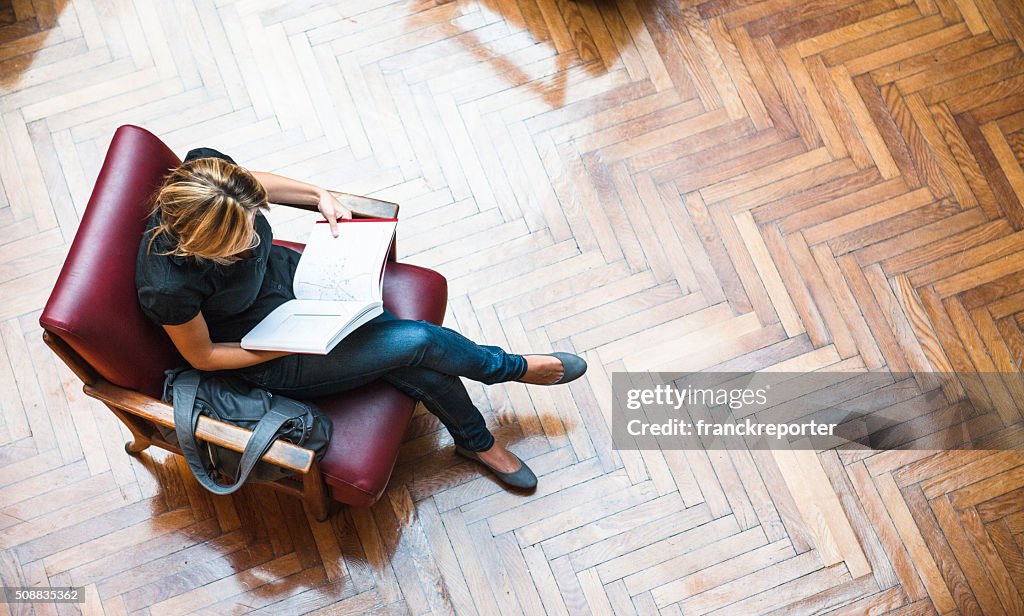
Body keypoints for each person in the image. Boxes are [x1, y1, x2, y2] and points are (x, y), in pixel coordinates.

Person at [135, 147, 587, 489]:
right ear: (201, 245)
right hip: (269, 350)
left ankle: (475, 441)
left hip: (299, 286)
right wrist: (283, 344)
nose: (254, 235)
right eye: (240, 239)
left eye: (253, 221)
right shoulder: (168, 283)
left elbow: (254, 185)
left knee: (411, 355)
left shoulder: (207, 179)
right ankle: (505, 371)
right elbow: (206, 357)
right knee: (418, 344)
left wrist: (318, 197)